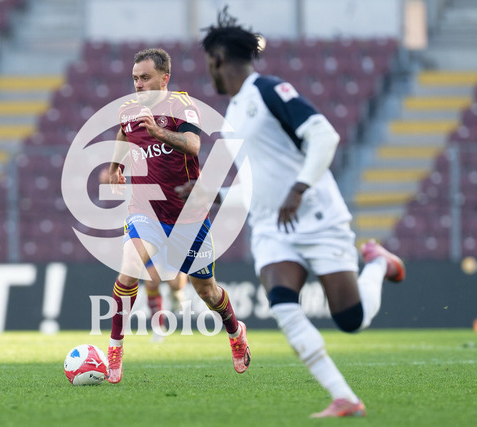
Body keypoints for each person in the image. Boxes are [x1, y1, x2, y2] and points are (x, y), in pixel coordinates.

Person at [180, 8, 406, 418]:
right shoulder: (232, 115)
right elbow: (257, 187)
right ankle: (344, 397)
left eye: (208, 62)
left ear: (217, 58)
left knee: (351, 319)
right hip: (271, 227)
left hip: (317, 216)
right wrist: (215, 194)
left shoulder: (268, 90)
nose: (207, 71)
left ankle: (377, 264)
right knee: (282, 303)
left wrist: (299, 188)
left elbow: (324, 135)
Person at [105, 47, 251, 384]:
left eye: (145, 78)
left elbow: (193, 145)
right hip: (145, 210)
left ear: (164, 78)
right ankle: (115, 348)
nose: (138, 84)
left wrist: (158, 132)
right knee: (129, 269)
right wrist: (115, 166)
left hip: (189, 216)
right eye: (135, 78)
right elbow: (123, 133)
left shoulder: (181, 106)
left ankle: (235, 331)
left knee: (208, 292)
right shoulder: (128, 110)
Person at [99, 167, 188, 342]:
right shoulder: (140, 158)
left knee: (176, 283)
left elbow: (193, 172)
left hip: (173, 224)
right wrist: (111, 173)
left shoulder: (173, 159)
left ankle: (177, 292)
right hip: (147, 224)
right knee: (152, 279)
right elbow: (115, 169)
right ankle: (158, 327)